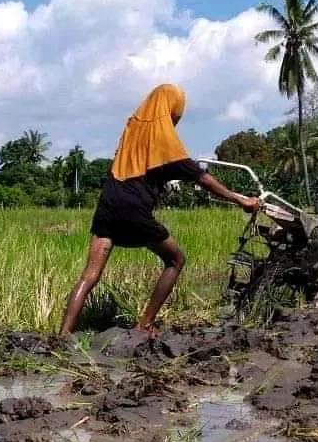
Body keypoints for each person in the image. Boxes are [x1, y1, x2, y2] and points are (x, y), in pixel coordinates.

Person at [59, 83, 259, 336]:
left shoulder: (132, 129)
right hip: (134, 209)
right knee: (176, 260)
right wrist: (241, 201)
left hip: (107, 204)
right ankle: (145, 324)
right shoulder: (165, 141)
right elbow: (203, 179)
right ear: (172, 109)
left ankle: (64, 334)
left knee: (90, 275)